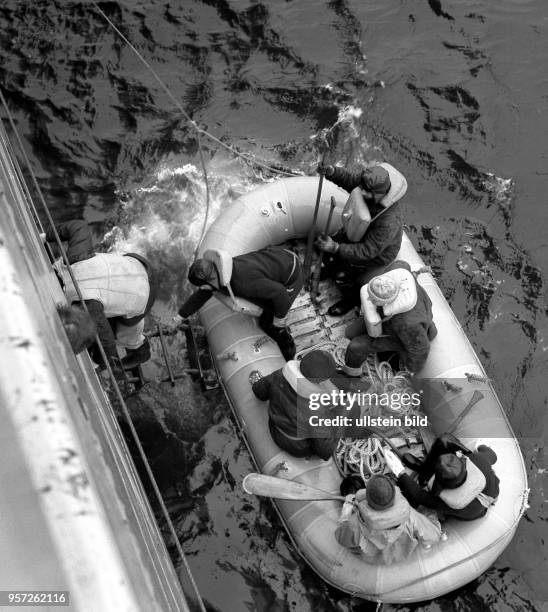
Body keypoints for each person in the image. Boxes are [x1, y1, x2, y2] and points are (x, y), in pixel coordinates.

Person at [46, 220, 157, 370]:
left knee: (124, 333)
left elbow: (107, 343)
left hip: (144, 295)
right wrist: (47, 236)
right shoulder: (75, 256)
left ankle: (141, 354)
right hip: (134, 263)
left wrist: (106, 364)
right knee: (109, 315)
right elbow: (78, 227)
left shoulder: (90, 306)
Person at [179, 246, 303, 360]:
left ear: (206, 281)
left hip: (292, 276)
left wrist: (279, 320)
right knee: (264, 305)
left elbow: (280, 293)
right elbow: (202, 294)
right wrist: (179, 317)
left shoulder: (243, 282)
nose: (203, 289)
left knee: (269, 322)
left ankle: (289, 351)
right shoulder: (219, 270)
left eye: (202, 286)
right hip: (280, 257)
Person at [315, 162, 407, 316]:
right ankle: (330, 268)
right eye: (362, 188)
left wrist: (335, 248)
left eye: (367, 192)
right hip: (356, 232)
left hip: (375, 253)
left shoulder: (389, 221)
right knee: (327, 255)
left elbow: (367, 251)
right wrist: (332, 171)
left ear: (379, 194)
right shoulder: (368, 183)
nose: (362, 193)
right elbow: (350, 180)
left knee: (342, 274)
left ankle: (350, 299)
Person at [342, 260, 437, 376]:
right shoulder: (398, 268)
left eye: (372, 299)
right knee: (350, 332)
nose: (368, 300)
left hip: (397, 332)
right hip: (392, 317)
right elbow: (404, 264)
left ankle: (351, 375)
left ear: (385, 303)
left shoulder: (407, 324)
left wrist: (411, 369)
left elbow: (421, 349)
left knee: (356, 347)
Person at [250, 350, 341, 460]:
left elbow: (259, 391)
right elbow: (324, 451)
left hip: (275, 428)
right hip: (297, 447)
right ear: (322, 382)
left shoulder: (280, 374)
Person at [385, 435, 500, 521]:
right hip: (479, 490)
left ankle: (425, 473)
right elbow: (491, 455)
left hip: (474, 511)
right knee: (444, 441)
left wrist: (400, 472)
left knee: (420, 499)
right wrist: (482, 447)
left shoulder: (450, 503)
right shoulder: (479, 462)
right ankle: (424, 469)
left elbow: (421, 497)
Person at [334, 474, 442, 564]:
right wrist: (428, 513)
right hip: (403, 557)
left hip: (375, 561)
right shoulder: (411, 516)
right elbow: (434, 536)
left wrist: (346, 511)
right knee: (427, 510)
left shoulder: (355, 524)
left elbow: (341, 539)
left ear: (366, 497)